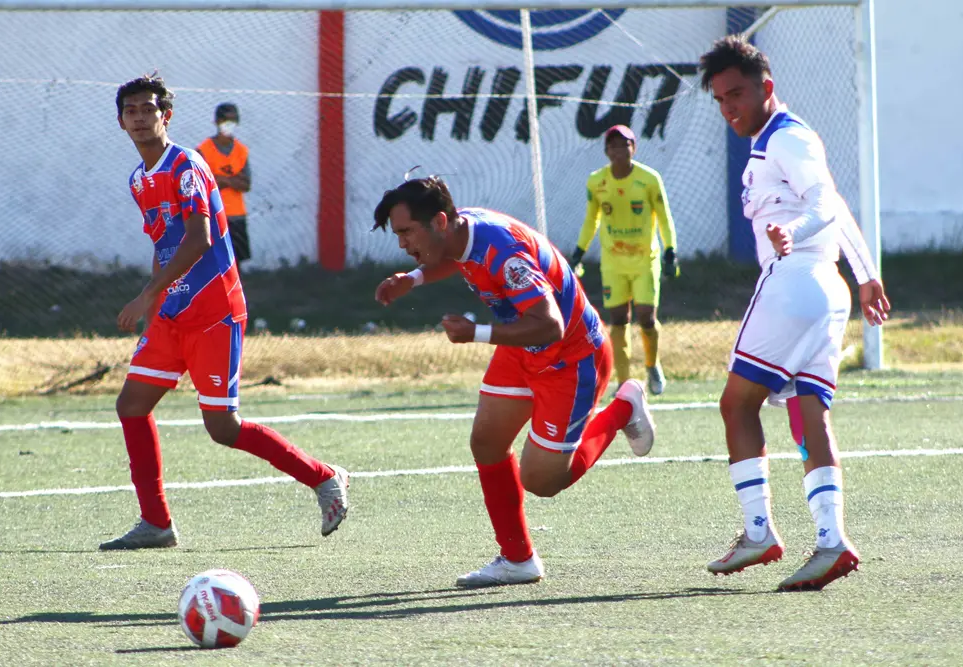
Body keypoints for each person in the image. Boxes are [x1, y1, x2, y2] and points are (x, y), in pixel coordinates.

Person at [102, 75, 348, 550]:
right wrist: (156, 303)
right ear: (120, 121)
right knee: (131, 405)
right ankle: (156, 523)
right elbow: (164, 243)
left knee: (223, 428)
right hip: (173, 315)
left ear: (165, 116)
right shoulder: (139, 180)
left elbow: (200, 238)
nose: (138, 116)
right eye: (129, 109)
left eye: (147, 108)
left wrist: (145, 294)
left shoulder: (187, 165)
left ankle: (323, 477)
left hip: (214, 313)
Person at [373, 175, 656, 587]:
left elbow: (550, 326)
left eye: (405, 232)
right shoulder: (458, 230)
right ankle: (518, 559)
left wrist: (476, 334)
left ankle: (623, 408)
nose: (402, 243)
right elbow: (453, 258)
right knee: (486, 442)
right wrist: (412, 279)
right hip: (522, 348)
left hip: (571, 358)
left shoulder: (504, 254)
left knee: (542, 481)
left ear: (437, 221)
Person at [699, 37, 891, 591]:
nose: (729, 106)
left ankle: (759, 531)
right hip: (827, 288)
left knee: (736, 405)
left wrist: (796, 233)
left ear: (767, 87)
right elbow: (830, 199)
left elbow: (823, 202)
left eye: (737, 93)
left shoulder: (787, 137)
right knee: (809, 414)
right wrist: (865, 272)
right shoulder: (778, 139)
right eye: (720, 98)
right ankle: (831, 542)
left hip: (795, 280)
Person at [569, 124, 679, 396]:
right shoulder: (597, 182)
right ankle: (625, 382)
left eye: (625, 144)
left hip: (644, 259)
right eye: (613, 146)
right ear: (606, 151)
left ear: (634, 148)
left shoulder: (649, 179)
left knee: (646, 317)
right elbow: (591, 220)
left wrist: (670, 250)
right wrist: (579, 252)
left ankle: (652, 365)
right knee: (618, 319)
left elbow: (664, 218)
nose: (619, 150)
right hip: (614, 262)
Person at [197, 103, 252, 271]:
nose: (229, 124)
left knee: (236, 264)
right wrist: (233, 179)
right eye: (225, 120)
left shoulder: (241, 151)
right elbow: (202, 183)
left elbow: (246, 184)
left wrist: (221, 179)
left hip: (236, 215)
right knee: (212, 264)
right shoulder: (203, 150)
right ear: (216, 122)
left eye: (233, 120)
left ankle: (236, 297)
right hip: (212, 215)